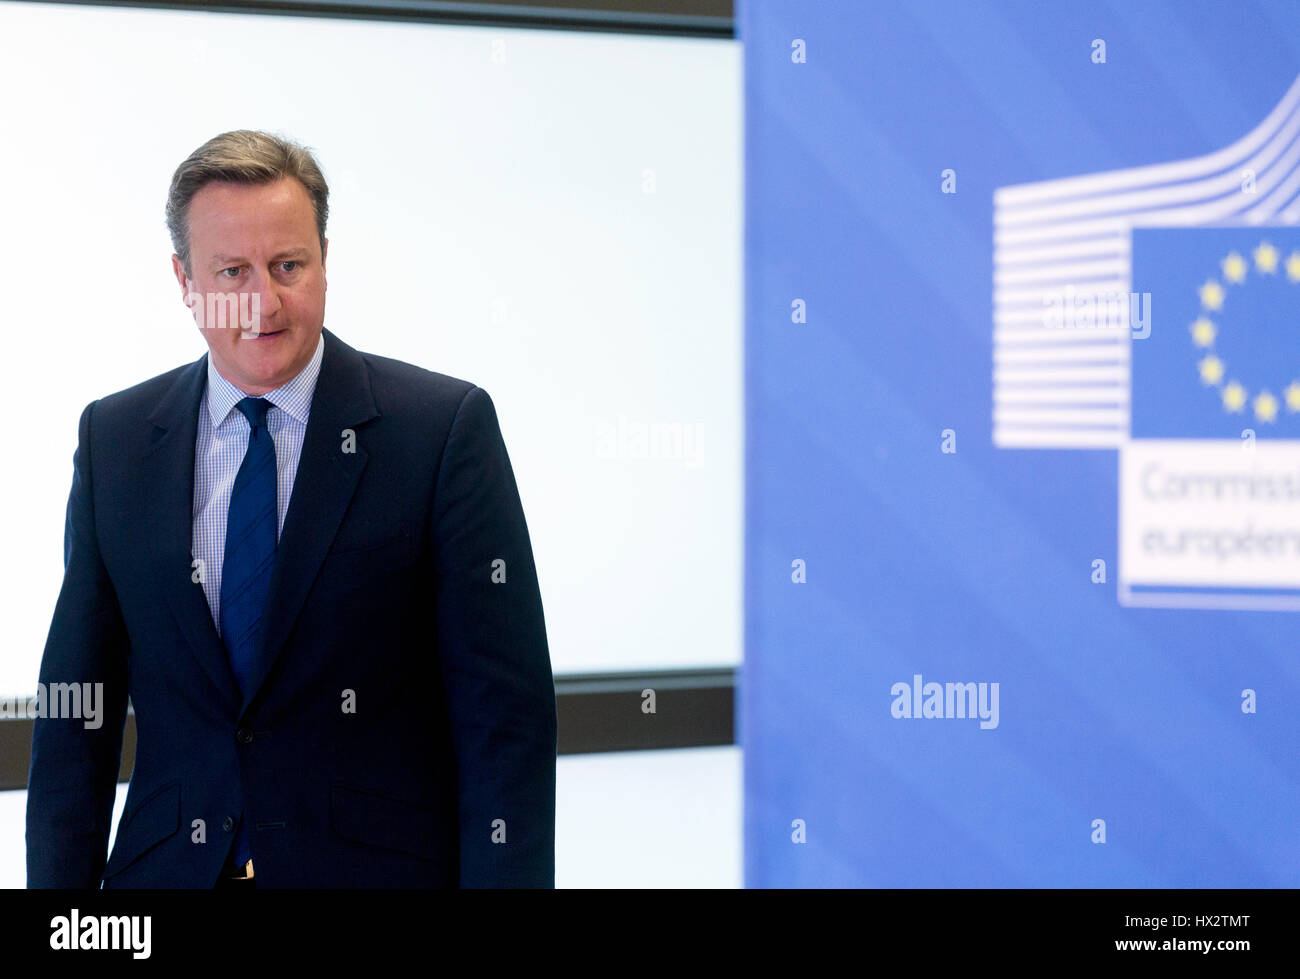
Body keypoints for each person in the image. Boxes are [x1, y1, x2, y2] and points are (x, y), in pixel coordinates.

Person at [25, 130, 557, 888]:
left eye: (288, 266)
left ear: (326, 262)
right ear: (184, 278)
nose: (264, 302)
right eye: (231, 271)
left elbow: (506, 723)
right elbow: (75, 720)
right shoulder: (113, 441)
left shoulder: (441, 431)